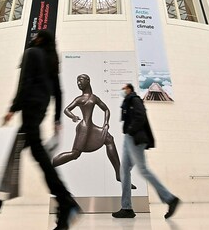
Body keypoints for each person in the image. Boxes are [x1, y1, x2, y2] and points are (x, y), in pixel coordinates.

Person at [0, 30, 81, 230]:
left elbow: (25, 82)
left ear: (38, 39)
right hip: (39, 110)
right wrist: (56, 119)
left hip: (29, 107)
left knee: (26, 153)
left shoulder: (32, 53)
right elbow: (58, 92)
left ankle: (66, 202)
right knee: (14, 155)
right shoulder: (51, 61)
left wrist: (13, 108)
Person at [53, 74, 135, 189]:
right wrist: (73, 116)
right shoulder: (79, 99)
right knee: (75, 154)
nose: (78, 83)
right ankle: (51, 164)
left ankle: (119, 174)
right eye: (77, 81)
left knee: (109, 139)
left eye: (80, 80)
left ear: (88, 81)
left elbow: (106, 109)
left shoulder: (94, 98)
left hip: (91, 127)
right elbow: (67, 109)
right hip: (84, 128)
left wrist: (106, 123)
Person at [112, 83, 180, 219]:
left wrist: (130, 130)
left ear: (129, 89)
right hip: (128, 138)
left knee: (143, 170)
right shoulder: (128, 101)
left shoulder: (135, 99)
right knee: (124, 171)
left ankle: (170, 199)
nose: (122, 91)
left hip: (134, 138)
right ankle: (127, 208)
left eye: (124, 88)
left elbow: (141, 116)